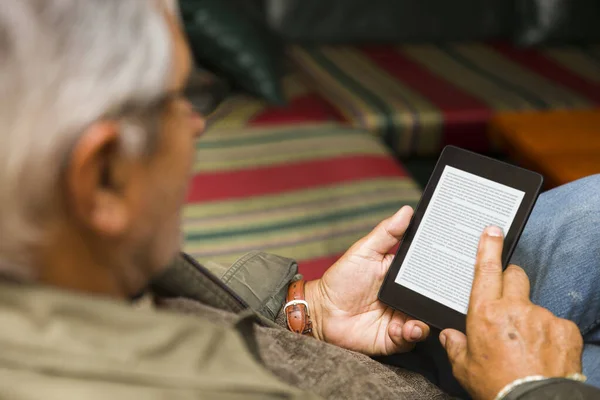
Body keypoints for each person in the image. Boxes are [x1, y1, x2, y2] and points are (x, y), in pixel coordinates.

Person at [0, 1, 598, 399]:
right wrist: (533, 388)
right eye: (184, 99)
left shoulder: (70, 275)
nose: (197, 126)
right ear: (102, 177)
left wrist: (304, 312)